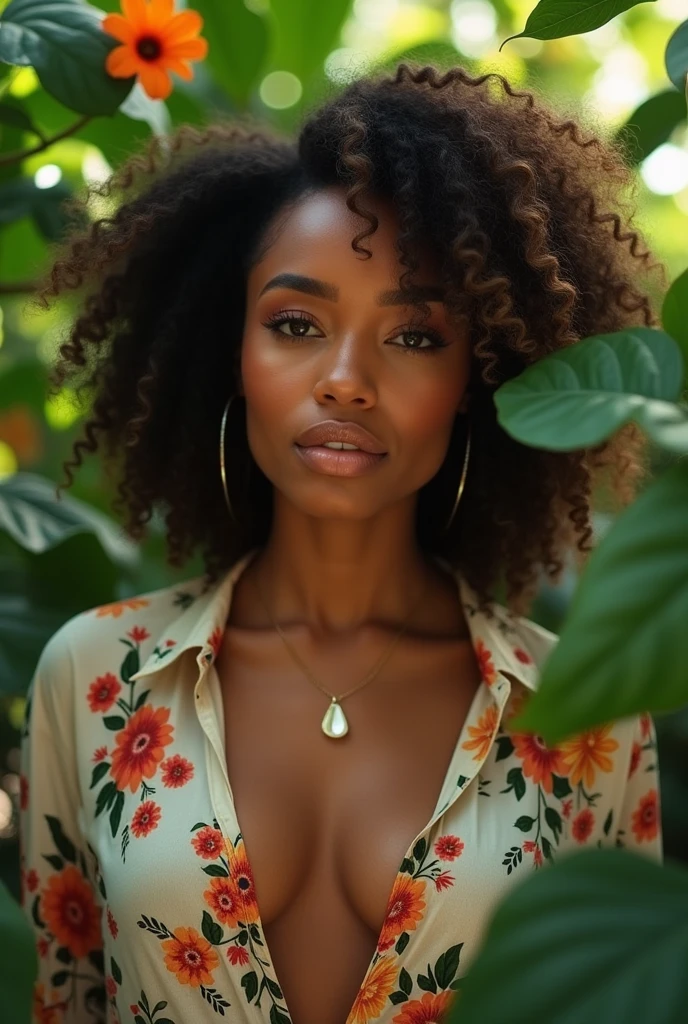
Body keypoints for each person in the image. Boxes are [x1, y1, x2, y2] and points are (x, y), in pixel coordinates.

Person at [19, 63, 663, 1024]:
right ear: (230, 352)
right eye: (296, 324)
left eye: (412, 338)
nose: (347, 380)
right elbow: (63, 1000)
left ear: (476, 378)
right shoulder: (95, 679)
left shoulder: (581, 717)